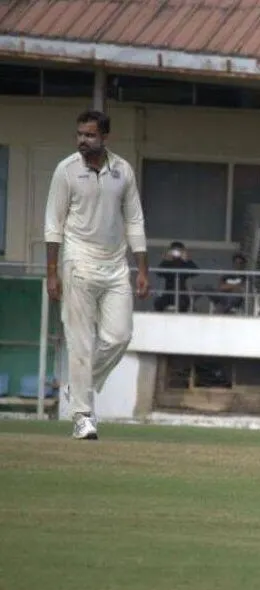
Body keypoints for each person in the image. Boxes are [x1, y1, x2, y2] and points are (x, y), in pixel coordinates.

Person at [45, 109, 150, 440]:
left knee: (120, 336)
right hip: (77, 261)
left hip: (116, 265)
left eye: (90, 135)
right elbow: (53, 224)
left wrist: (143, 267)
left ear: (105, 137)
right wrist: (52, 272)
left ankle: (78, 387)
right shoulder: (66, 170)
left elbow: (134, 220)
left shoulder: (123, 170)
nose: (82, 140)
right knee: (80, 342)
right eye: (79, 134)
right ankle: (82, 415)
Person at [154, 241, 198, 312]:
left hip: (182, 293)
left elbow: (196, 272)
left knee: (183, 304)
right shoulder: (168, 263)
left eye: (179, 251)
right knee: (158, 303)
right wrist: (166, 259)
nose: (176, 253)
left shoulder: (185, 264)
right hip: (168, 293)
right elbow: (158, 273)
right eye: (174, 251)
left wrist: (187, 260)